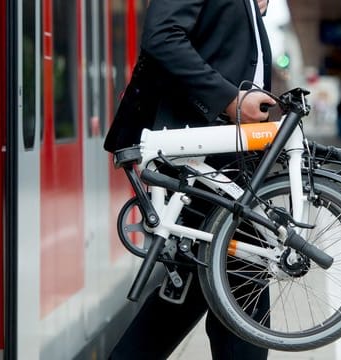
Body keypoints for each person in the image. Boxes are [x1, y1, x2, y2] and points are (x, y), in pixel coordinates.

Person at [104, 0, 276, 359]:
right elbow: (162, 36)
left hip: (230, 158)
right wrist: (229, 99)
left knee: (195, 288)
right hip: (201, 155)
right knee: (240, 285)